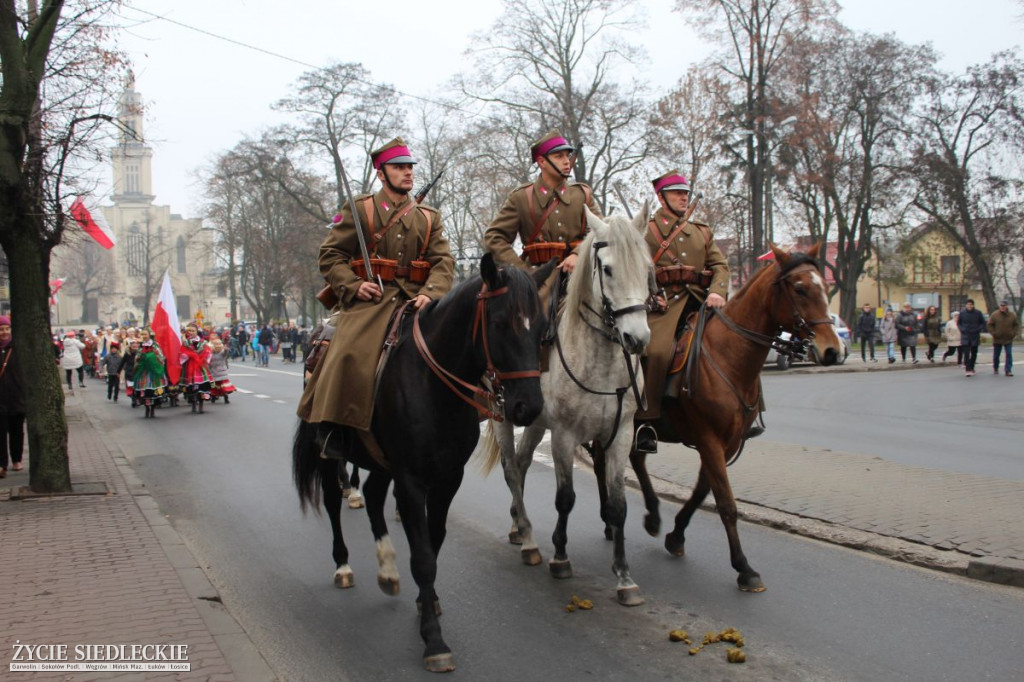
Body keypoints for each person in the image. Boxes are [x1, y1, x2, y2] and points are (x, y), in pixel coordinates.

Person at [298, 137, 455, 456]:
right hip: (371, 301)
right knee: (347, 352)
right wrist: (354, 286)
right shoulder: (359, 209)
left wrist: (430, 293)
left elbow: (443, 262)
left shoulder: (428, 216)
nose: (408, 173)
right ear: (382, 173)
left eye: (410, 167)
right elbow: (330, 256)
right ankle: (332, 428)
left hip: (416, 299)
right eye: (399, 167)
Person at [635, 170, 730, 452]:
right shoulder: (646, 231)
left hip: (701, 301)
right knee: (656, 351)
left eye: (685, 193)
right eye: (676, 192)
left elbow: (720, 266)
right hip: (664, 305)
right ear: (661, 198)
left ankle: (748, 412)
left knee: (738, 344)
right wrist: (650, 298)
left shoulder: (701, 231)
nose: (683, 197)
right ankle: (645, 421)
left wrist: (717, 290)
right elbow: (634, 272)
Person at [483, 129, 602, 308]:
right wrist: (522, 272)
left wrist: (578, 254)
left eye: (567, 155)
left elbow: (601, 230)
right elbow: (494, 238)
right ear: (542, 162)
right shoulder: (521, 198)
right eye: (558, 156)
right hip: (540, 281)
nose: (566, 161)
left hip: (582, 275)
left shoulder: (582, 195)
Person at [0, 316, 26, 477]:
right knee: (0, 432)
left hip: (17, 396)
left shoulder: (17, 347)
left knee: (17, 431)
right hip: (0, 397)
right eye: (1, 329)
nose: (4, 332)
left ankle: (17, 459)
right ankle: (2, 464)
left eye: (6, 329)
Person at [987, 300, 1019, 377]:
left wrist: (1013, 333)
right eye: (1001, 306)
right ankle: (996, 367)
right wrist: (994, 333)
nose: (1002, 307)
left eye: (1004, 306)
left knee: (1008, 354)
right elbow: (990, 325)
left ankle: (1008, 370)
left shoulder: (1012, 315)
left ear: (1007, 306)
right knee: (996, 355)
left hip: (1008, 338)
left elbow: (1016, 325)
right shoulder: (995, 315)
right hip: (997, 338)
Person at [957, 299, 986, 377]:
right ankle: (968, 369)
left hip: (974, 335)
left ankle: (972, 367)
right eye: (968, 304)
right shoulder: (962, 313)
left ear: (973, 305)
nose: (969, 306)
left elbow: (983, 323)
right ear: (966, 305)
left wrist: (978, 329)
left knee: (974, 353)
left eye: (971, 304)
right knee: (966, 353)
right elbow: (959, 323)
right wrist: (962, 329)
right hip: (965, 336)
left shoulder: (978, 313)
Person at [208, 337, 235, 403]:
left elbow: (226, 354)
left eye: (219, 344)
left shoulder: (222, 352)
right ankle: (213, 396)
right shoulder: (210, 353)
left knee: (223, 386)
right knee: (213, 386)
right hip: (212, 372)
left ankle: (226, 396)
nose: (217, 346)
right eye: (216, 344)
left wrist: (226, 350)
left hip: (221, 372)